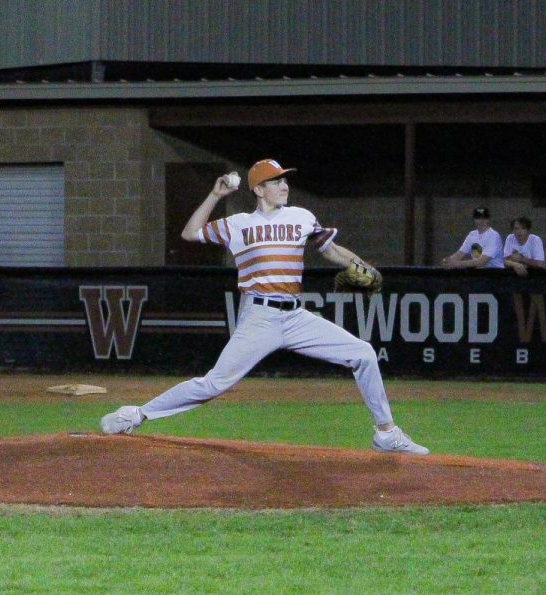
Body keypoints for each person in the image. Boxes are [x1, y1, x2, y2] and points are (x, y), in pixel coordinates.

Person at [99, 159, 429, 455]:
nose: (284, 185)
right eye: (275, 181)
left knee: (364, 354)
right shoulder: (238, 224)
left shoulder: (302, 217)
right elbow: (190, 233)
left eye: (285, 180)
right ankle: (137, 414)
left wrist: (363, 265)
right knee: (214, 384)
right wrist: (215, 196)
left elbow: (329, 250)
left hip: (296, 315)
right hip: (259, 316)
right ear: (259, 189)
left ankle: (386, 434)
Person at [439, 206, 504, 269]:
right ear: (474, 219)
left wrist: (455, 264)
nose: (481, 220)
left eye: (484, 218)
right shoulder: (472, 235)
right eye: (478, 218)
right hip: (480, 274)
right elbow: (459, 254)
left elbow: (481, 262)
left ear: (488, 219)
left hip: (495, 274)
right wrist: (447, 261)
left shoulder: (494, 236)